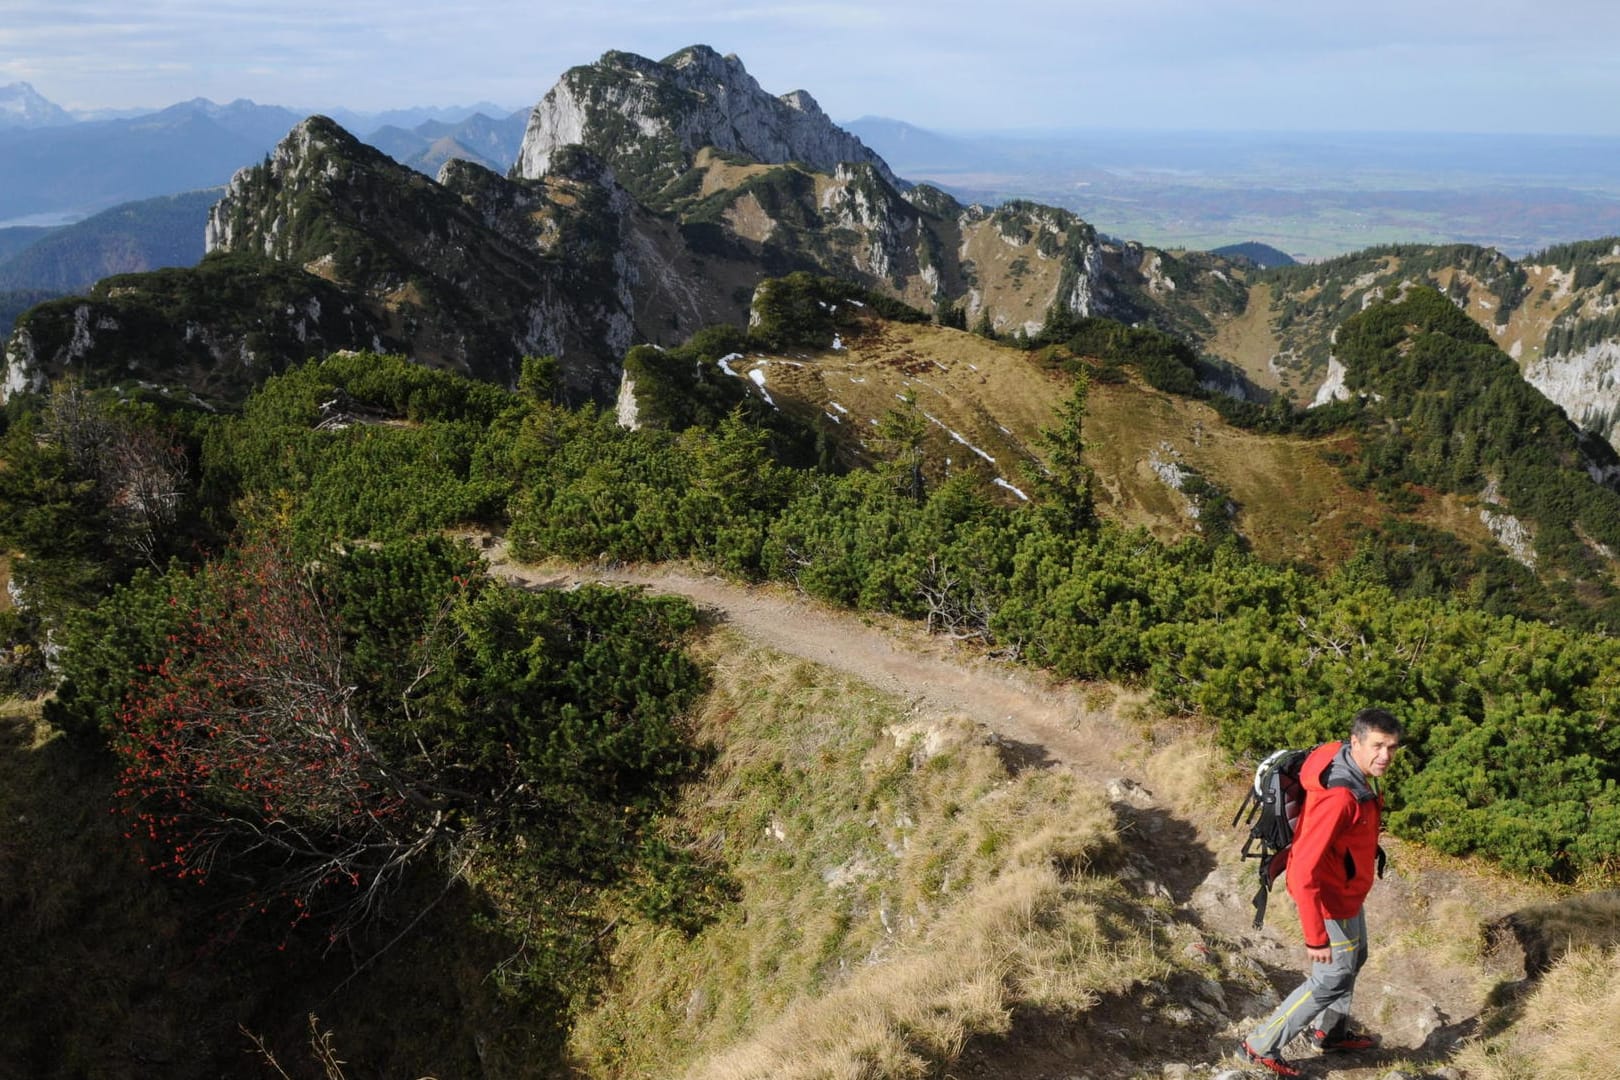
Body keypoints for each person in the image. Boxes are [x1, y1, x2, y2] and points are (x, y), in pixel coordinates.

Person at [1238, 707, 1404, 1077]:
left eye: (1392, 748)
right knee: (1330, 978)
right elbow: (1301, 872)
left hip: (1347, 890)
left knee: (1355, 958)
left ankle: (1329, 1032)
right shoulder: (1340, 798)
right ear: (1356, 741)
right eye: (1378, 746)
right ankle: (1259, 1045)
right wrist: (1316, 937)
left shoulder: (1348, 762)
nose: (1385, 757)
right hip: (1331, 898)